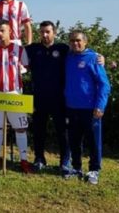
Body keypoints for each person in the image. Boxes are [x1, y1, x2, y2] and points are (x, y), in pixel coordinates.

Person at [0, 20, 33, 173]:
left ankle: (24, 160)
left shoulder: (19, 49)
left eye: (2, 30)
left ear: (10, 31)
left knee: (20, 128)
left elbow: (26, 67)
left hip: (14, 93)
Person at [64, 30, 111, 185]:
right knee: (74, 141)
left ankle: (94, 170)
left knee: (93, 142)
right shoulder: (68, 57)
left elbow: (104, 84)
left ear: (85, 42)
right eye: (72, 41)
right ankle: (76, 168)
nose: (75, 43)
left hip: (90, 109)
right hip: (71, 107)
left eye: (78, 40)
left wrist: (100, 106)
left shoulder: (93, 58)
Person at [26, 20, 71, 172]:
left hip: (59, 98)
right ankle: (39, 159)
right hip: (39, 97)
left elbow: (81, 52)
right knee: (39, 131)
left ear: (54, 33)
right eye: (42, 32)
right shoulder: (33, 49)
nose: (44, 35)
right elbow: (12, 52)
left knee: (62, 131)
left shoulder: (63, 49)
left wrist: (99, 57)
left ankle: (65, 161)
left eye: (48, 32)